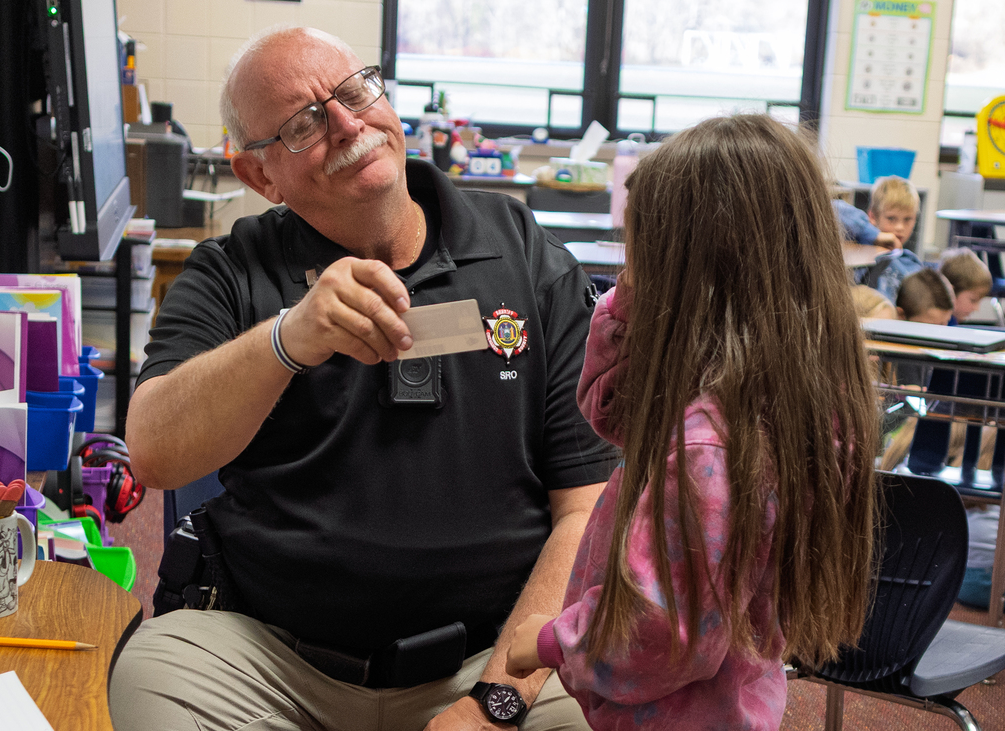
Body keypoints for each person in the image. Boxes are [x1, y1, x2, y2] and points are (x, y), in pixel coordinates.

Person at [109, 26, 618, 731]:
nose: (348, 123)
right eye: (303, 123)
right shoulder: (231, 270)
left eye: (355, 91)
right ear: (260, 176)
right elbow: (155, 451)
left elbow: (587, 507)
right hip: (273, 660)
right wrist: (288, 340)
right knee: (149, 680)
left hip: (497, 653)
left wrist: (496, 701)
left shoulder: (524, 254)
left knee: (610, 712)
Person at [503, 115, 881, 730]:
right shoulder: (787, 392)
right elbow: (613, 409)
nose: (631, 272)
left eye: (644, 253)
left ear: (693, 269)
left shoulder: (713, 445)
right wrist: (633, 297)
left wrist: (551, 642)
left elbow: (660, 634)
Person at [938, 247, 992, 325]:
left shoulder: (952, 321)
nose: (977, 309)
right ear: (950, 292)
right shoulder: (939, 324)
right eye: (973, 300)